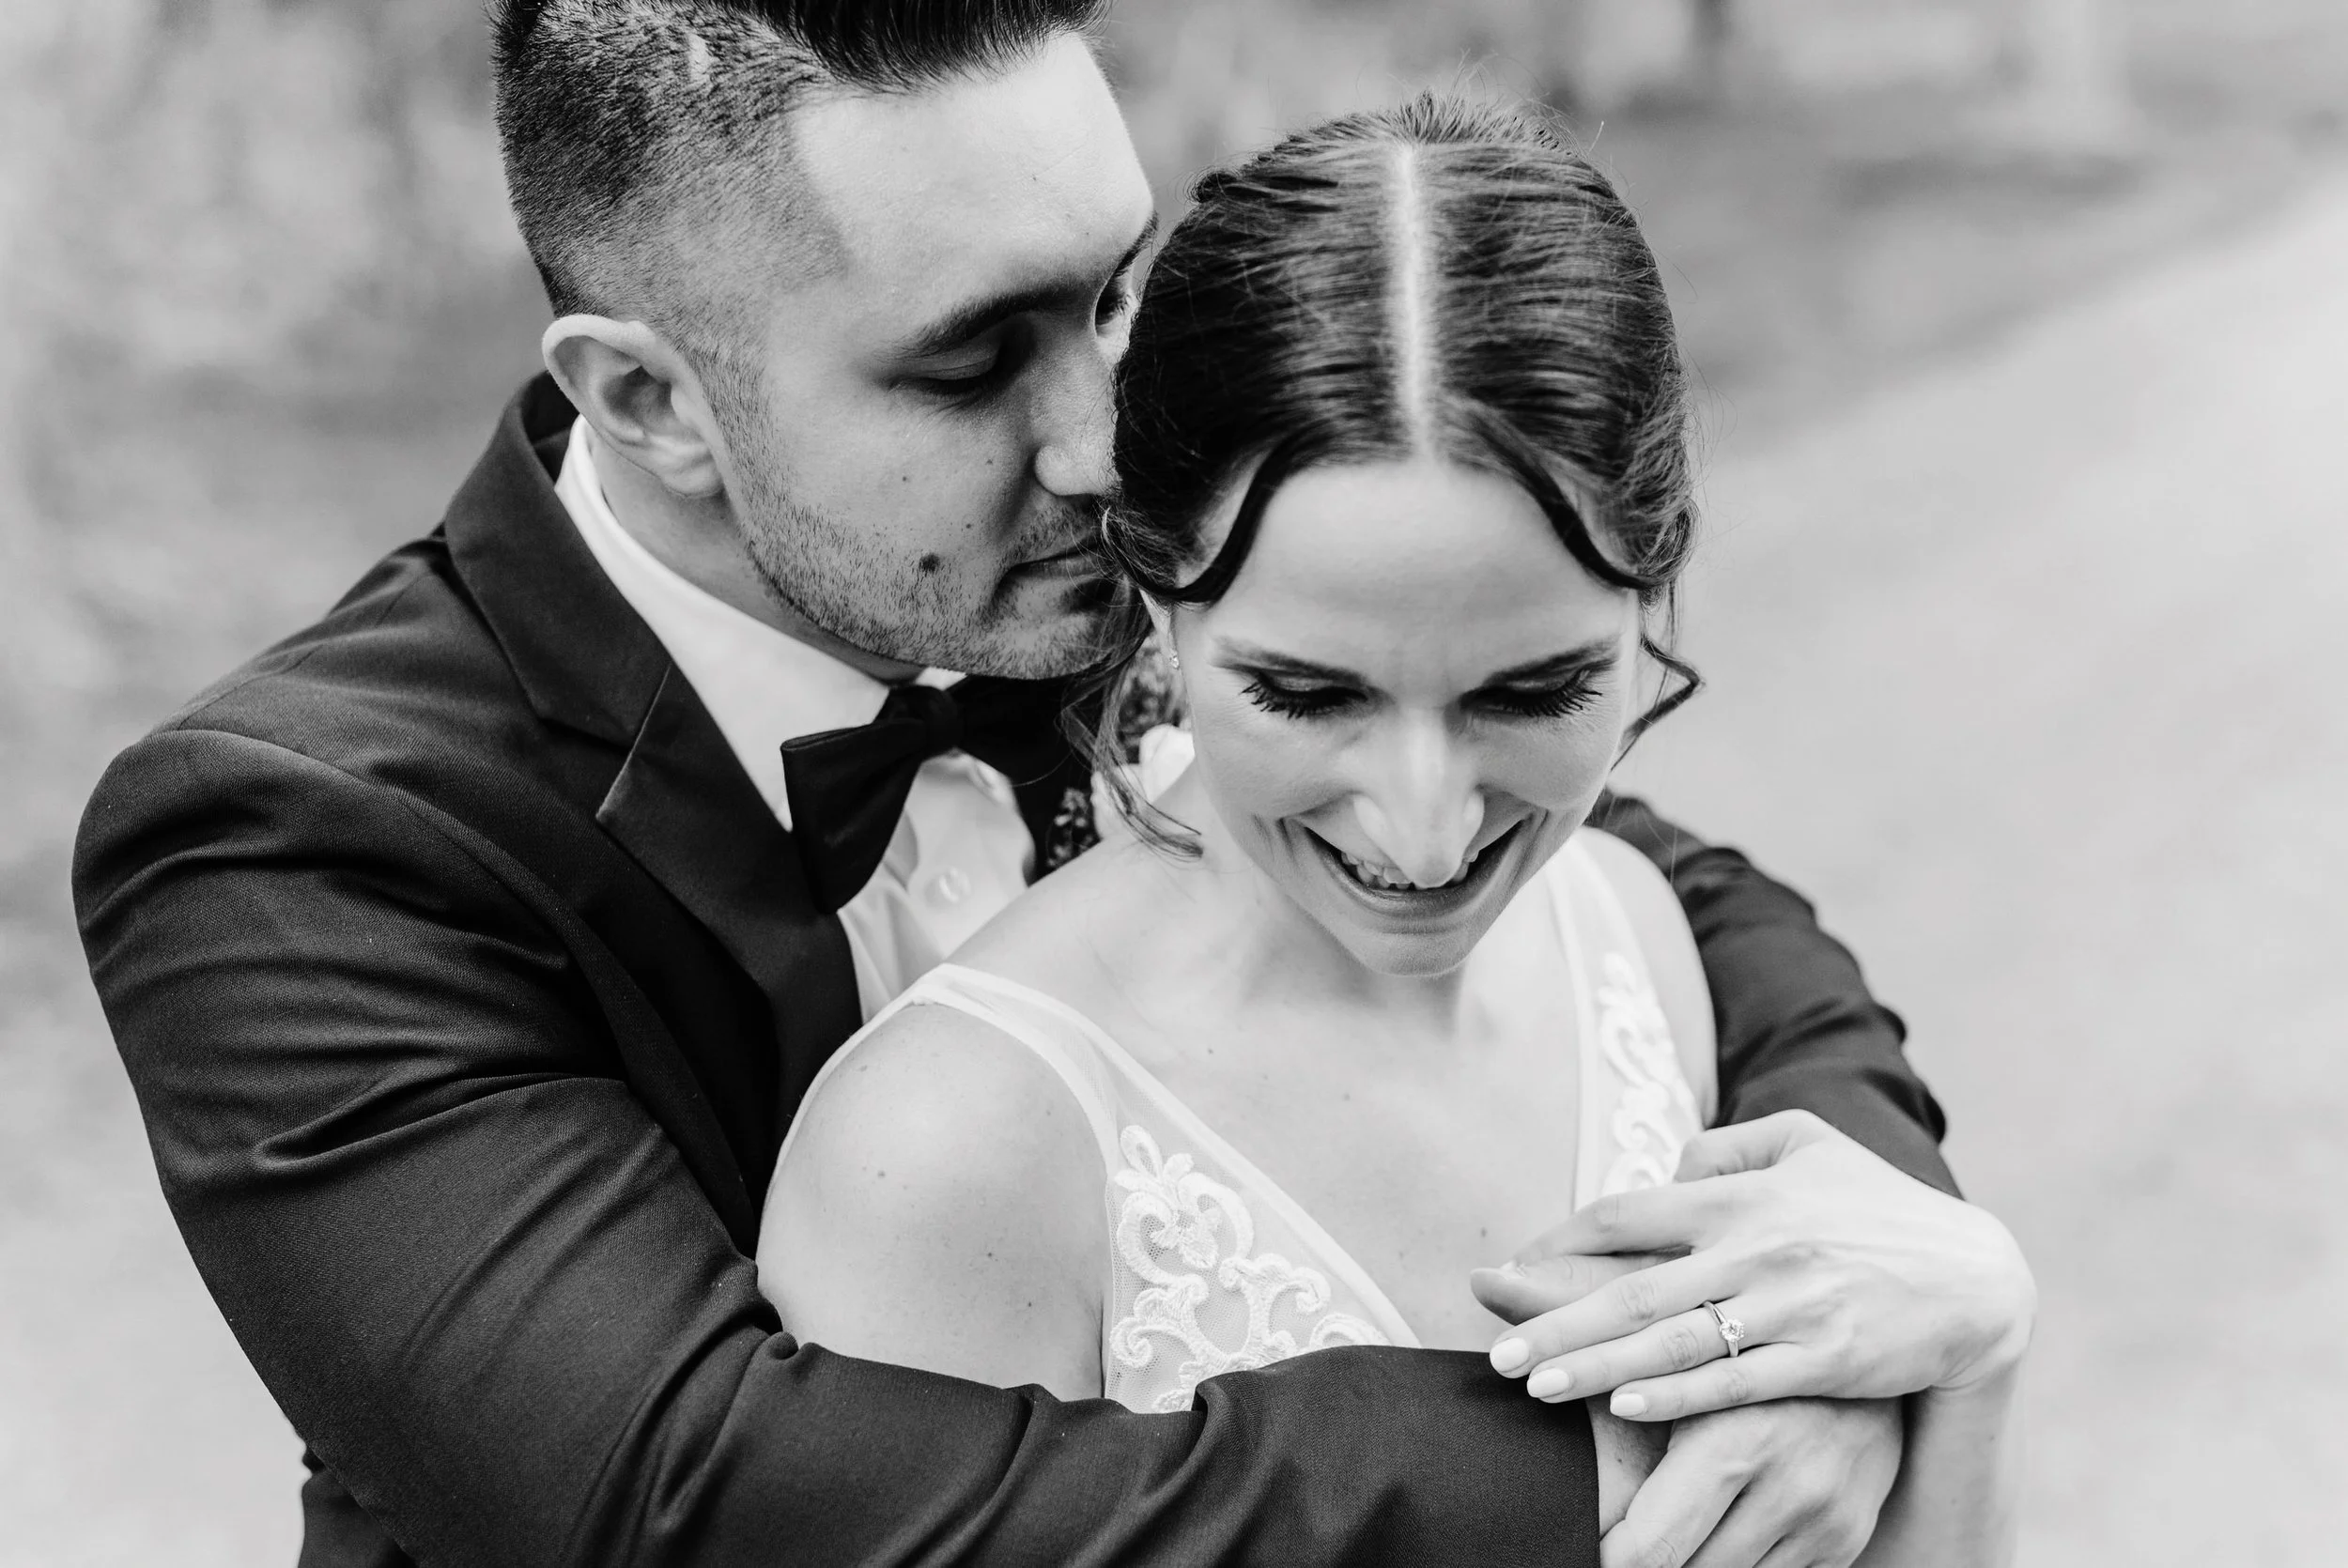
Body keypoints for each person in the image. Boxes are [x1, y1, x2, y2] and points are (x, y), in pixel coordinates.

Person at [72, 5, 1981, 1565]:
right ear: (648, 400)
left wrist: (1857, 1257)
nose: (1096, 439)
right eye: (972, 358)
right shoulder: (297, 836)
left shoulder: (1090, 571)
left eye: (1109, 296)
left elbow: (1619, 873)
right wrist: (1647, 1423)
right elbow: (692, 1497)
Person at [759, 94, 2032, 1564]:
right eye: (1308, 694)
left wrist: (1979, 1335)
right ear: (1163, 603)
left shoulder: (1636, 937)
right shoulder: (943, 1160)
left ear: (1652, 604)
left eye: (1536, 688)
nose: (1425, 834)